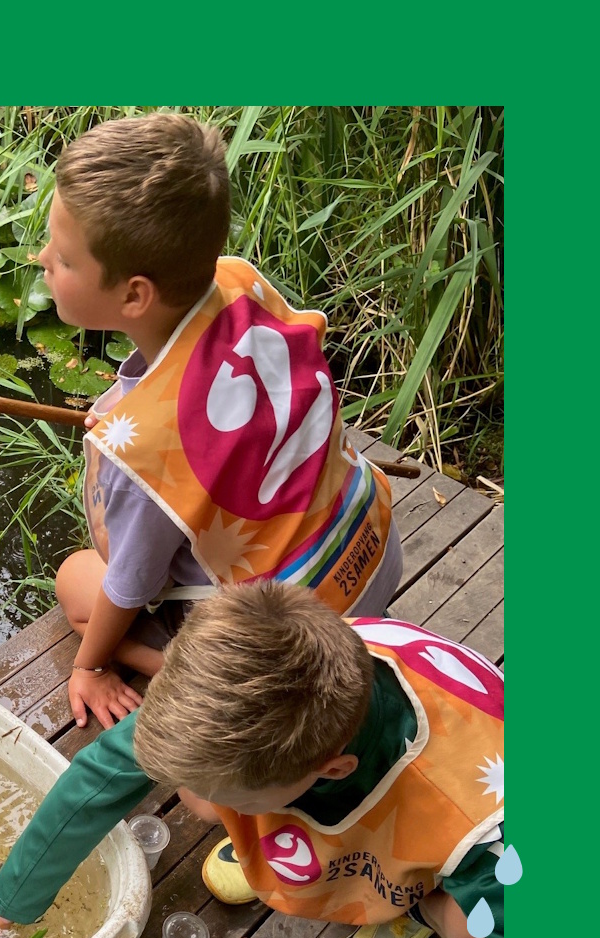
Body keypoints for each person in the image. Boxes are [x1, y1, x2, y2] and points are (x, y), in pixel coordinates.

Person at [0, 584, 505, 938]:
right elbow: (106, 770)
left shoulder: (477, 823)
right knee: (200, 794)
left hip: (452, 828)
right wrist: (3, 907)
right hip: (335, 784)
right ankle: (284, 849)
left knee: (472, 934)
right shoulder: (260, 672)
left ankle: (406, 910)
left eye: (243, 798)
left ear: (332, 768)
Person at [37, 113, 401, 731]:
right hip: (372, 553)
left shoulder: (143, 451)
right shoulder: (236, 278)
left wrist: (91, 667)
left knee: (76, 580)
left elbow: (130, 583)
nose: (41, 258)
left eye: (64, 258)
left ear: (134, 296)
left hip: (293, 645)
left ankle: (169, 665)